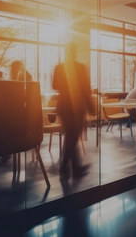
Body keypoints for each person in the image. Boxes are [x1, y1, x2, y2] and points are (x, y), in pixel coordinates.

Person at [53, 42, 94, 180]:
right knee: (73, 136)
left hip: (64, 106)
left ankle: (66, 166)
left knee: (70, 136)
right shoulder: (80, 67)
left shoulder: (59, 67)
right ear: (74, 52)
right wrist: (90, 107)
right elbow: (85, 89)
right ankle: (74, 167)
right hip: (76, 106)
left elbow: (54, 85)